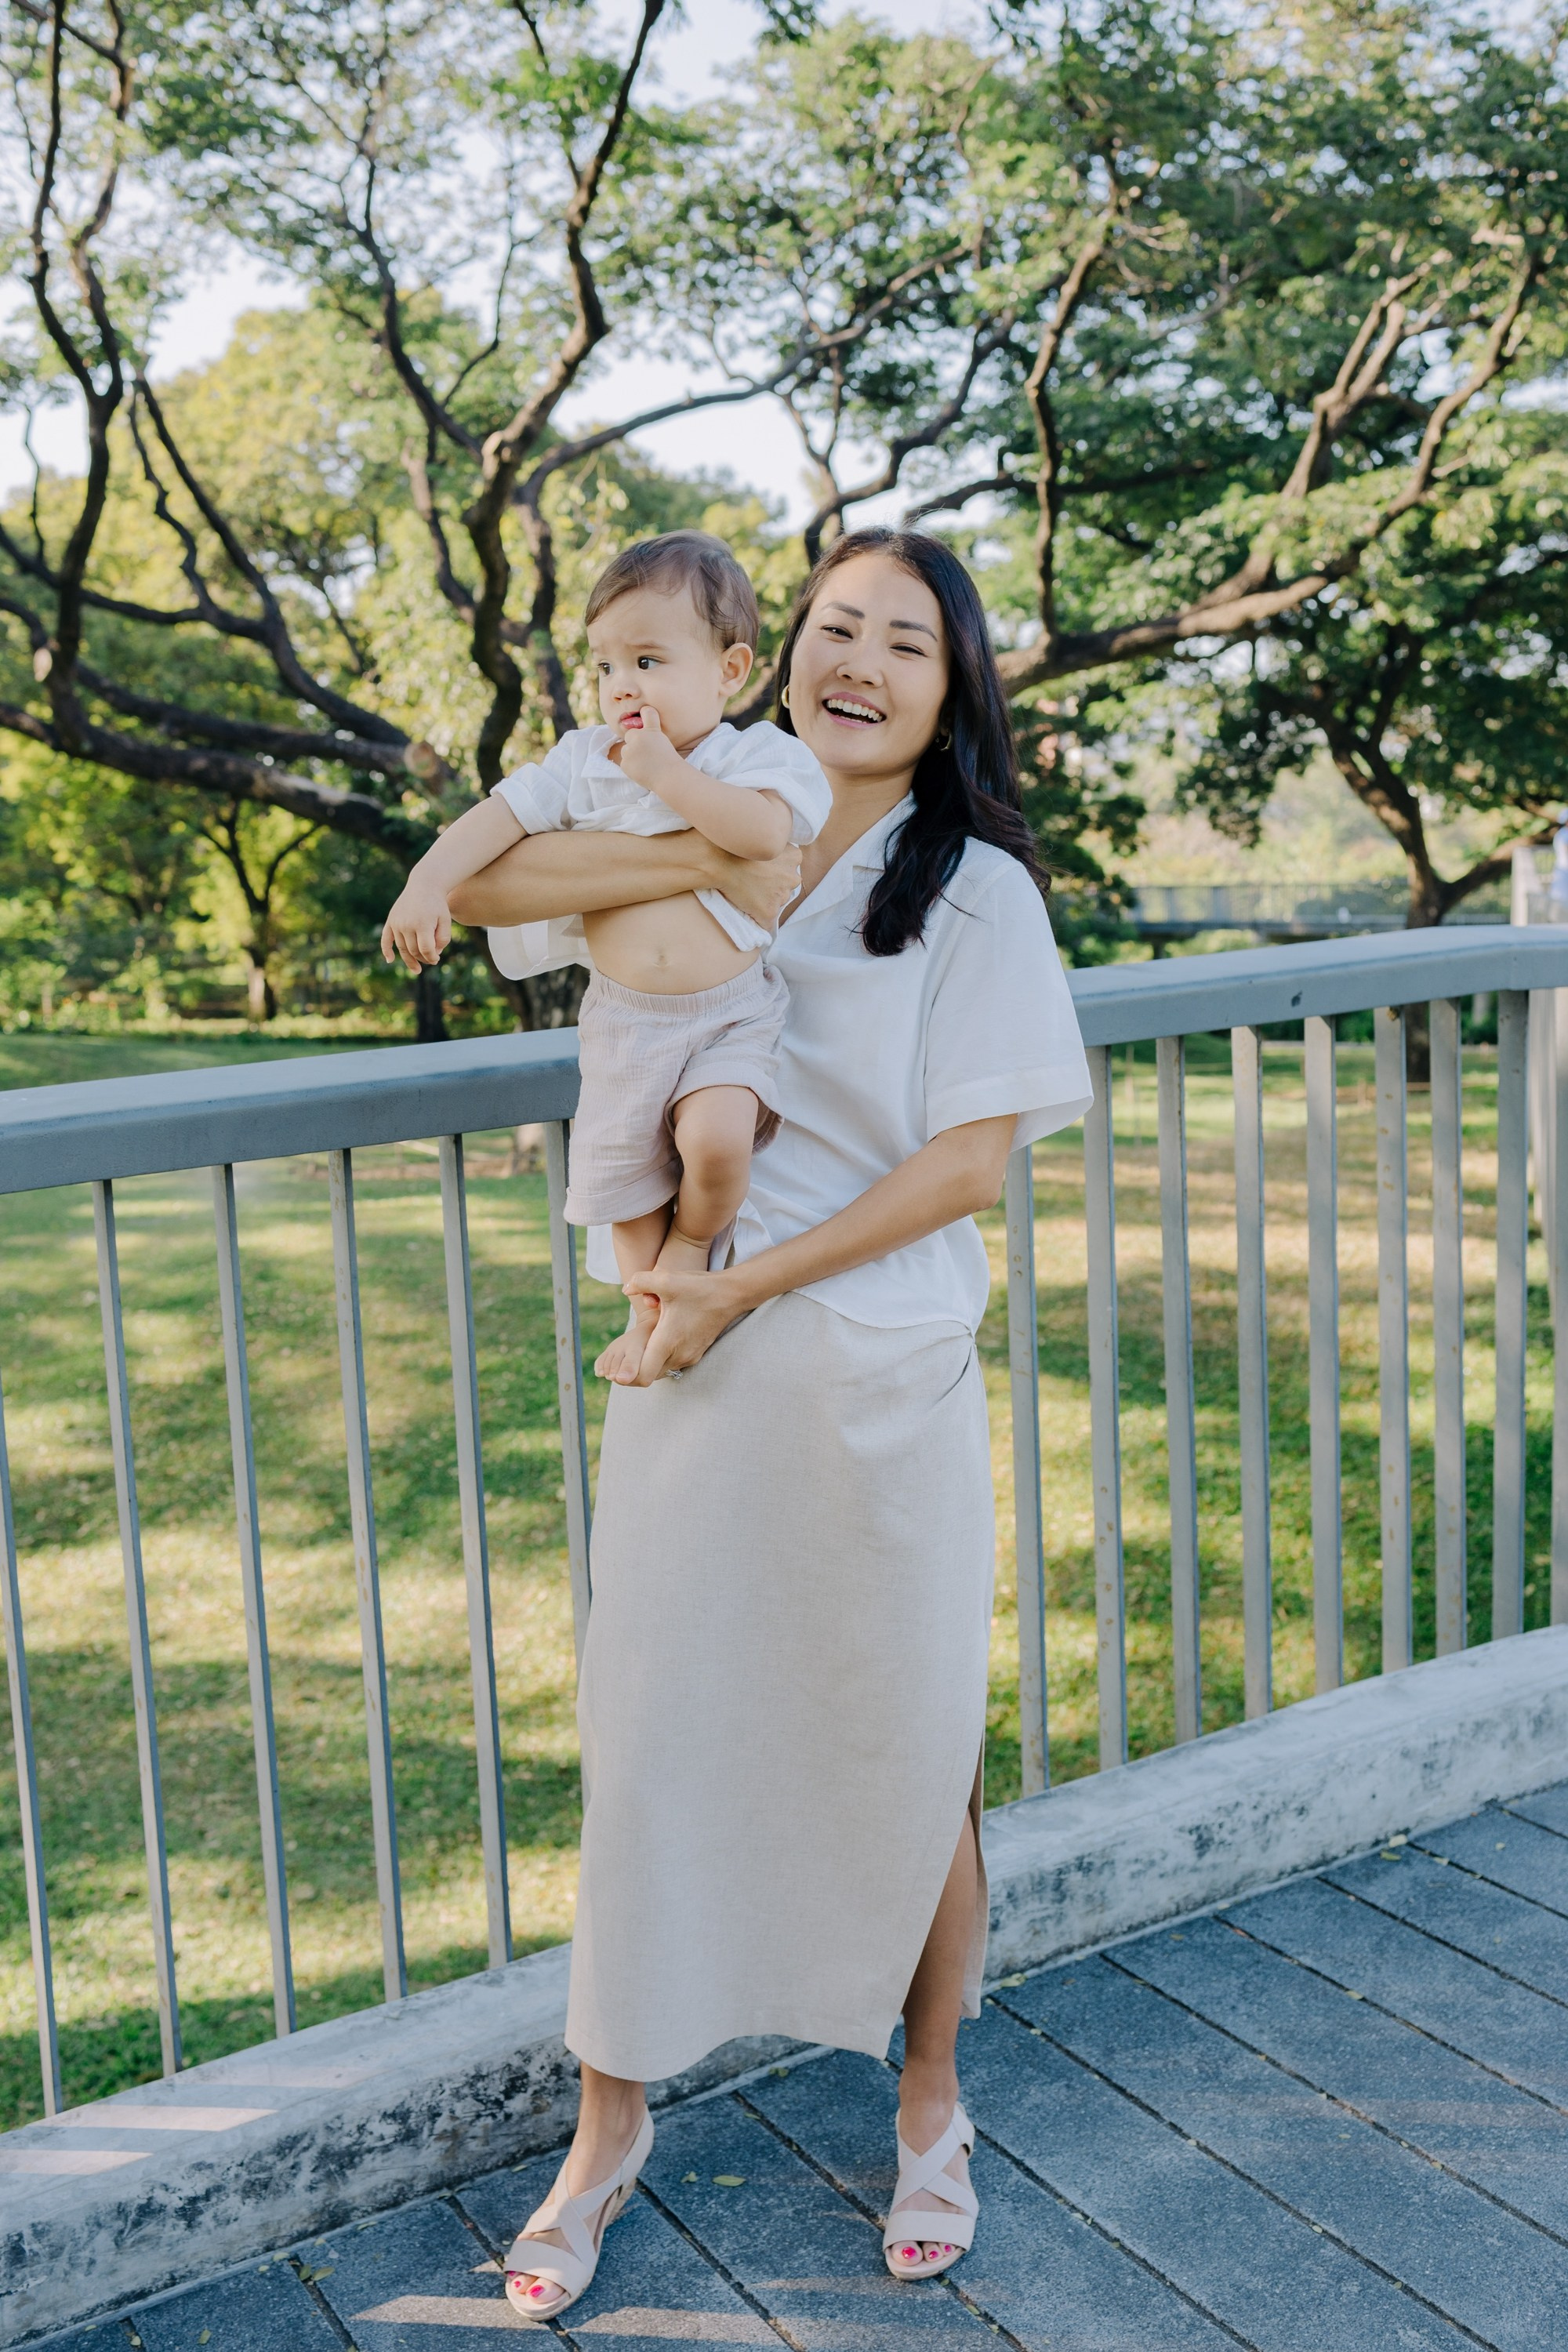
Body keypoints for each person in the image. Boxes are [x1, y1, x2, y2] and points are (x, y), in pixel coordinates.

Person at [448, 529, 1093, 2323]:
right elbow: (499, 896)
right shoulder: (709, 821)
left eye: (906, 637)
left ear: (952, 684)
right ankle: (603, 2133)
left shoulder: (973, 893)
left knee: (913, 1758)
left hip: (875, 1389)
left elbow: (969, 1160)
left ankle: (928, 2099)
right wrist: (637, 757)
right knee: (651, 1749)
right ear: (769, 654)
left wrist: (753, 1274)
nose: (860, 658)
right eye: (830, 627)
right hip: (687, 1382)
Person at [381, 532, 831, 1383]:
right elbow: (493, 820)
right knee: (623, 1179)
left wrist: (665, 774)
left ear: (730, 670)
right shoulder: (583, 759)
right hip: (628, 1021)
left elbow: (763, 838)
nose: (621, 686)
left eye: (649, 660)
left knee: (718, 1141)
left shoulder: (754, 757)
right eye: (604, 665)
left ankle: (692, 1246)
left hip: (729, 1012)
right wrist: (426, 884)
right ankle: (646, 1309)